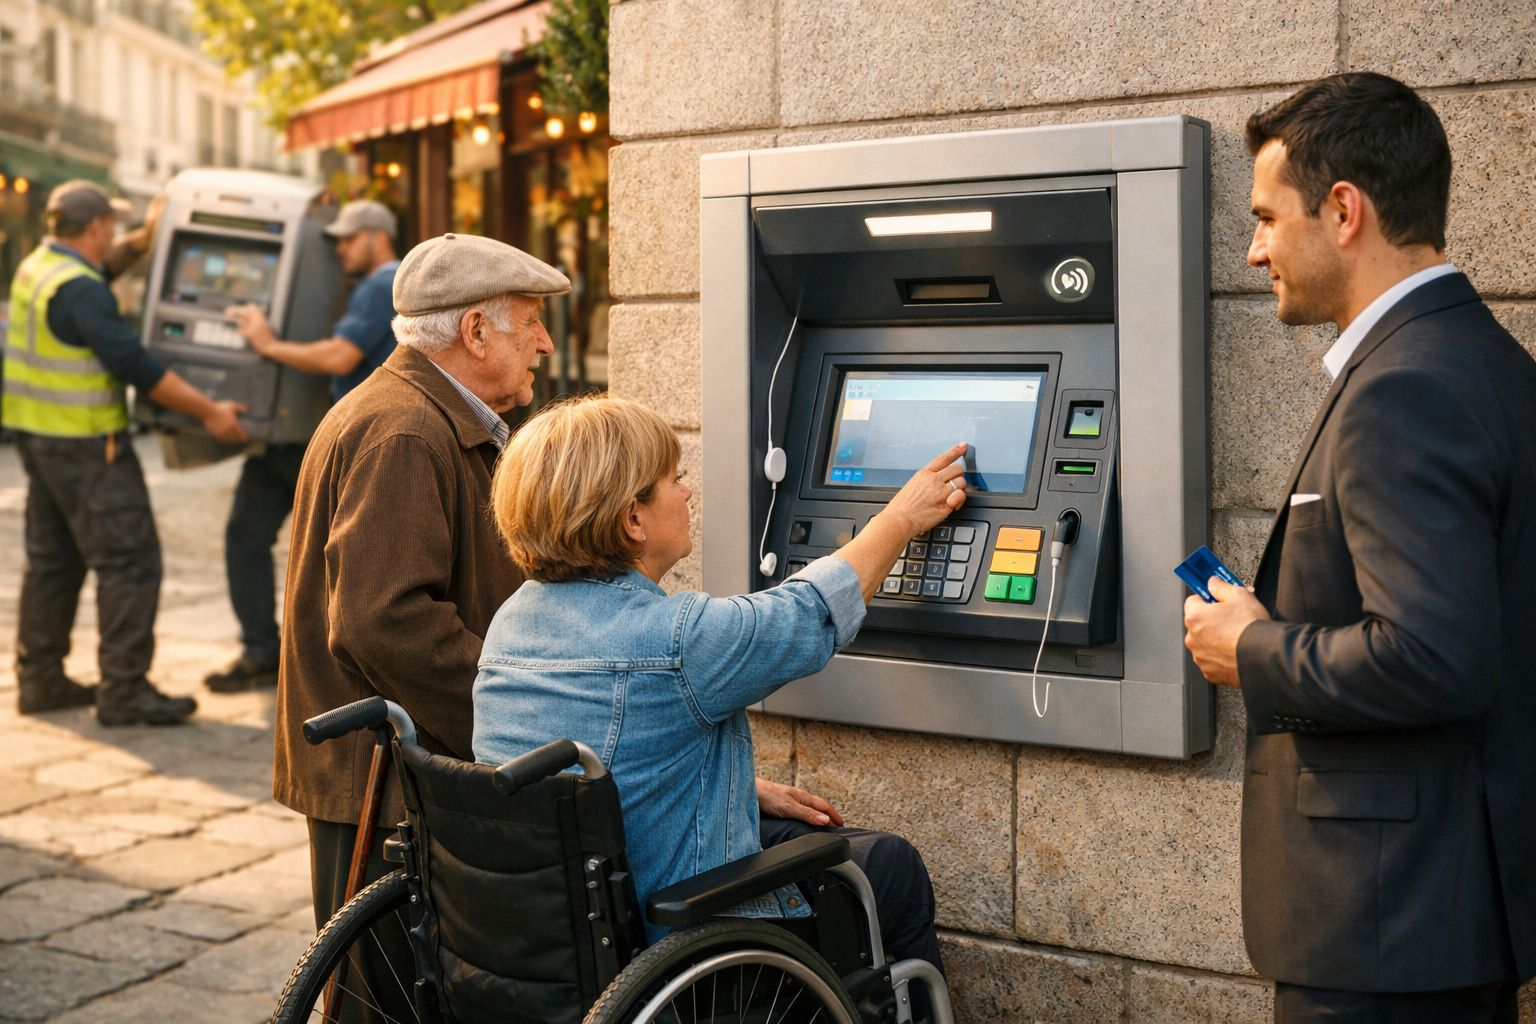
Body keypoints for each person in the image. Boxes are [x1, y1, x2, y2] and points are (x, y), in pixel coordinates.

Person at [1183, 73, 1535, 1023]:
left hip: (1389, 931)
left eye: (1264, 217)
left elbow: (1432, 657)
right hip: (1435, 912)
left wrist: (1247, 649)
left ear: (1344, 211)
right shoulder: (1484, 360)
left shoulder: (1403, 389)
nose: (1253, 251)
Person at [474, 395, 959, 975]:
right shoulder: (678, 639)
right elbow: (807, 615)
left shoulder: (511, 622)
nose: (687, 493)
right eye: (673, 480)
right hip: (677, 947)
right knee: (888, 867)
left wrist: (733, 785)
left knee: (790, 829)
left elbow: (600, 758)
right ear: (633, 520)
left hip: (557, 943)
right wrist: (902, 517)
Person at [272, 232, 567, 936]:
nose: (545, 343)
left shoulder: (418, 415)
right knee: (385, 997)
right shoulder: (404, 431)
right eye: (530, 322)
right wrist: (510, 717)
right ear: (474, 331)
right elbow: (384, 621)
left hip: (398, 772)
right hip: (385, 782)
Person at [3, 180, 249, 726]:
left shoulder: (39, 268)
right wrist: (209, 411)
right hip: (89, 444)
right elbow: (135, 365)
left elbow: (98, 272)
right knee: (130, 562)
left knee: (52, 562)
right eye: (111, 226)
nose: (112, 233)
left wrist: (142, 239)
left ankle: (39, 680)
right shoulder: (82, 291)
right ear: (95, 227)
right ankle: (124, 690)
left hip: (38, 438)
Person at [207, 200, 402, 693]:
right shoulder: (374, 285)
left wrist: (268, 344)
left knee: (287, 544)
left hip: (335, 439)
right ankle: (272, 651)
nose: (339, 248)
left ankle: (282, 654)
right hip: (313, 436)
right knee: (260, 538)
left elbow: (341, 355)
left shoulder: (383, 283)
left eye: (348, 237)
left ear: (377, 236)